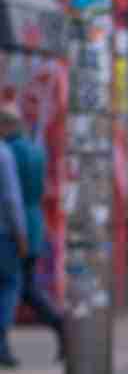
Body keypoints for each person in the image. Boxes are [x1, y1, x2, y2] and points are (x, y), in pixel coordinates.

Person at [0, 97, 64, 360]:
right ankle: (60, 324)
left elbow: (11, 197)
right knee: (25, 285)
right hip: (33, 222)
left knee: (17, 285)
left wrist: (19, 232)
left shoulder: (8, 152)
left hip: (15, 227)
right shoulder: (36, 149)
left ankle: (58, 323)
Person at [0, 132, 27, 369]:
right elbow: (11, 198)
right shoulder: (4, 154)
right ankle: (1, 342)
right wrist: (21, 234)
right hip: (3, 234)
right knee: (10, 285)